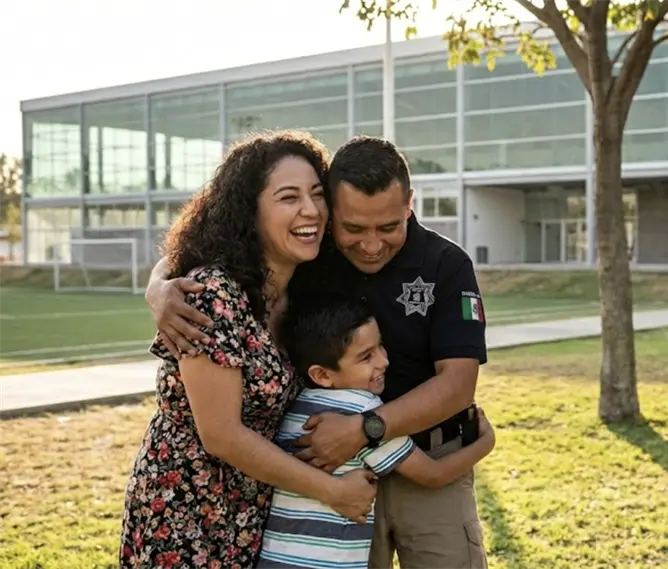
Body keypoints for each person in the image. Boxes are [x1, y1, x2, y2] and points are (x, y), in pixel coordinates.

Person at [146, 135, 490, 569]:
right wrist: (158, 287)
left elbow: (458, 384)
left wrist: (363, 430)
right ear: (334, 211)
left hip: (418, 460)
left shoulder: (446, 264)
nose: (370, 244)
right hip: (319, 474)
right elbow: (200, 255)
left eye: (388, 227)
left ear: (409, 204)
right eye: (353, 228)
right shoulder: (309, 258)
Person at [120, 130, 378, 569]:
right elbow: (221, 434)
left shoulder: (303, 293)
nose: (310, 209)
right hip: (186, 510)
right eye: (288, 197)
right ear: (249, 211)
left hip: (255, 510)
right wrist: (332, 491)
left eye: (317, 194)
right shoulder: (211, 294)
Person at [255, 297, 496, 569]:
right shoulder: (362, 409)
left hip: (275, 559)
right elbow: (432, 474)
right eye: (366, 357)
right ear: (322, 374)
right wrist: (485, 444)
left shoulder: (297, 405)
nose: (384, 361)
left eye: (380, 345)